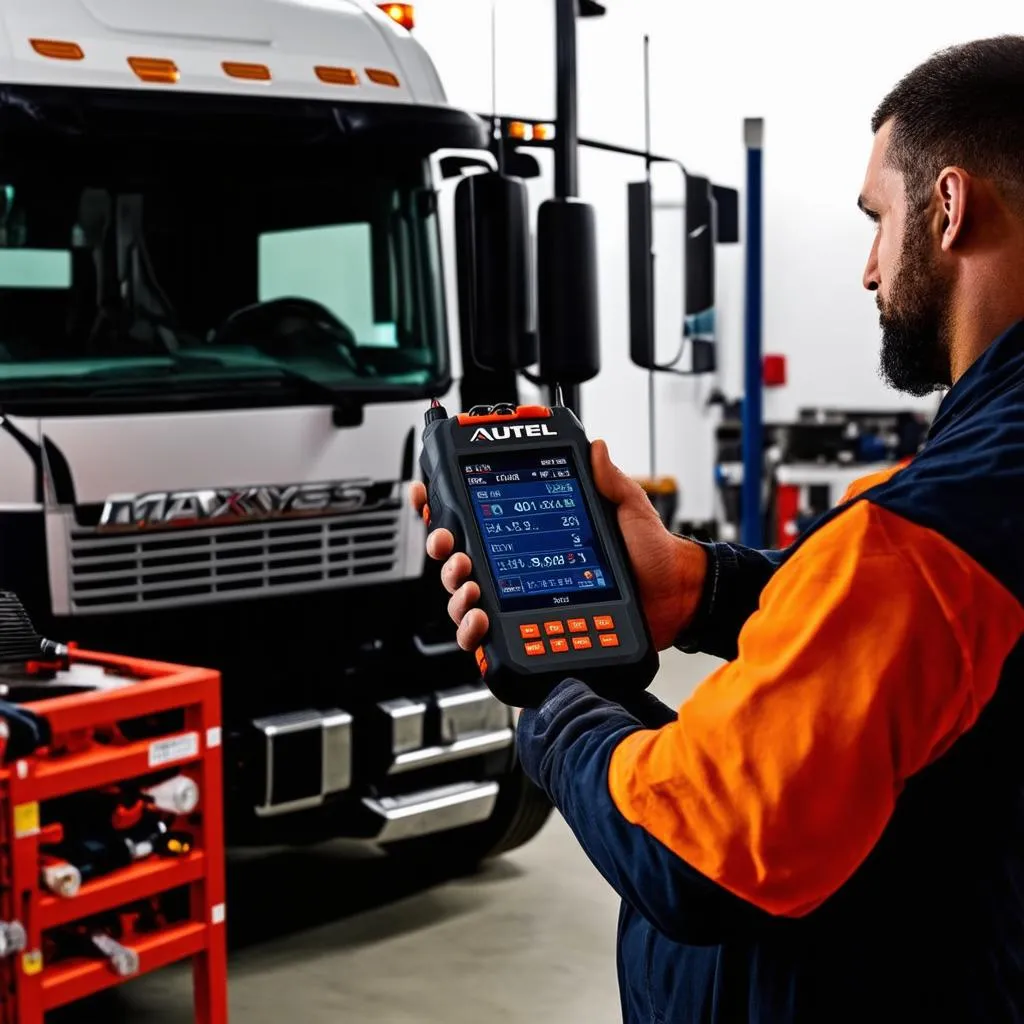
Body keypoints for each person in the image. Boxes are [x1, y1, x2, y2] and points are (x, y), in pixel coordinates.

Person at [413, 36, 1024, 1023]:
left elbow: (693, 851)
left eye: (877, 221)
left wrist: (551, 697)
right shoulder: (968, 495)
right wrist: (696, 585)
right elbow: (921, 655)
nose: (869, 270)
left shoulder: (922, 534)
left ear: (948, 208)